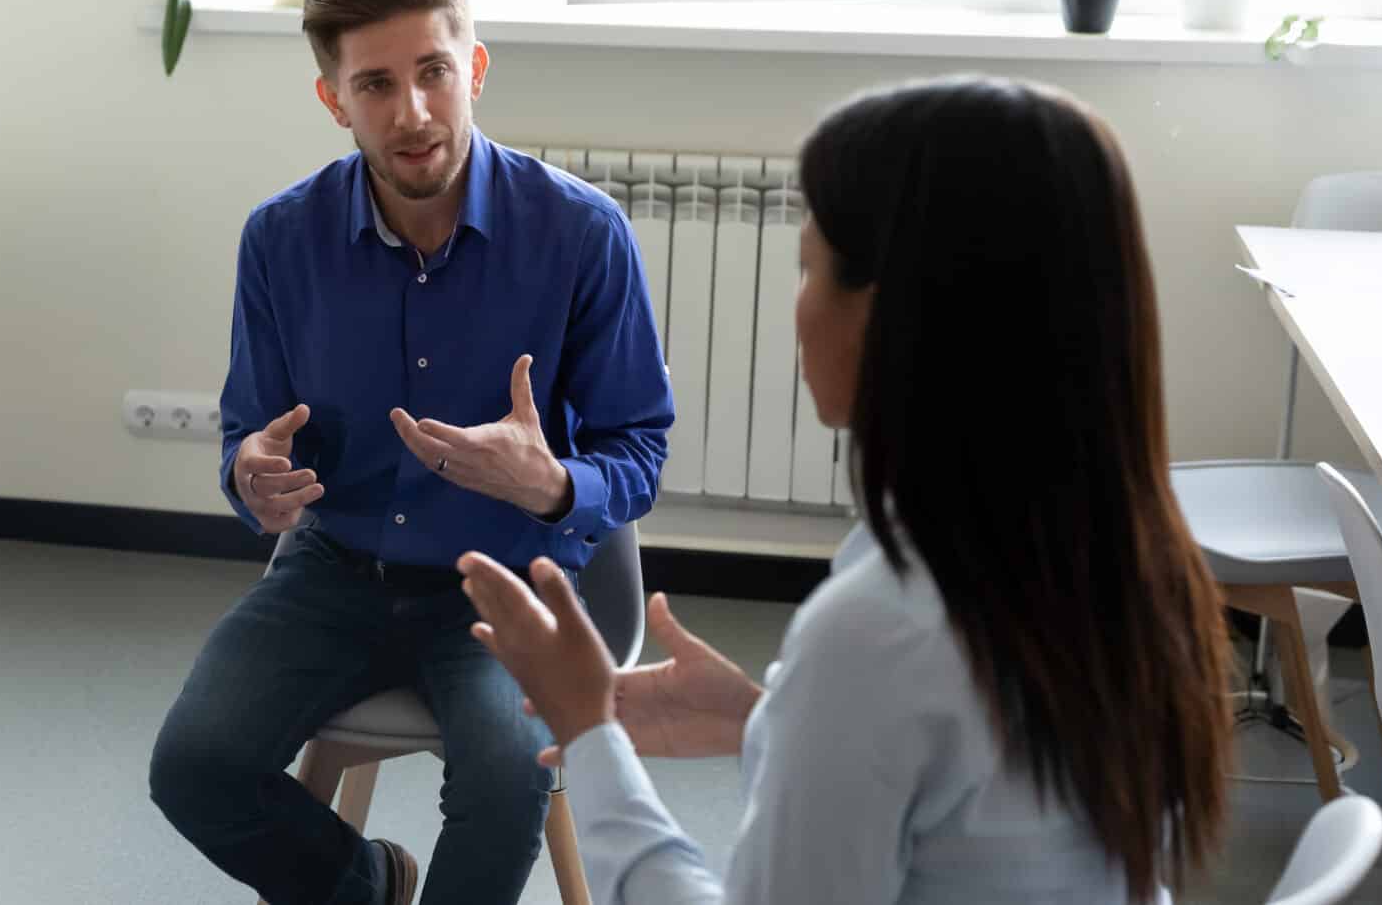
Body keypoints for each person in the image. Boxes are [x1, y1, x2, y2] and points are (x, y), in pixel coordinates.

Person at [457, 76, 1235, 904]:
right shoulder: (1126, 563)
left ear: (898, 314)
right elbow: (983, 824)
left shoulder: (882, 630)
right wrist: (771, 723)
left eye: (810, 266)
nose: (800, 308)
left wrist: (589, 730)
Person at [147, 0, 675, 905]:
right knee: (191, 769)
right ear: (334, 100)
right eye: (377, 85)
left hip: (512, 583)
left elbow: (638, 449)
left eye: (433, 72)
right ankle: (369, 886)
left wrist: (552, 484)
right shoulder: (281, 239)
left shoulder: (583, 234)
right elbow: (249, 437)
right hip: (333, 570)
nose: (415, 112)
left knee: (510, 780)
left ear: (473, 69)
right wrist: (251, 477)